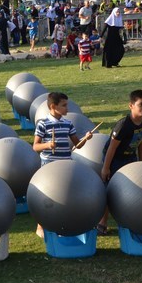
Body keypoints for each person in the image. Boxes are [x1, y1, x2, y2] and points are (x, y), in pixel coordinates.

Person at [32, 92, 93, 237]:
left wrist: (86, 138)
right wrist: (47, 145)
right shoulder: (43, 124)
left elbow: (77, 144)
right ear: (53, 106)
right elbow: (35, 146)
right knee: (47, 196)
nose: (67, 108)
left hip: (65, 165)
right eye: (64, 105)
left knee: (66, 195)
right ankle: (40, 225)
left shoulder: (68, 123)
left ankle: (65, 224)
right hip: (49, 166)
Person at [96, 89, 142, 235]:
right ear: (131, 105)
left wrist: (141, 162)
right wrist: (106, 168)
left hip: (130, 158)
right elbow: (111, 148)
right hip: (114, 159)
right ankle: (102, 222)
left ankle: (132, 220)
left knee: (135, 189)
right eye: (141, 105)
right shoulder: (123, 125)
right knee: (109, 189)